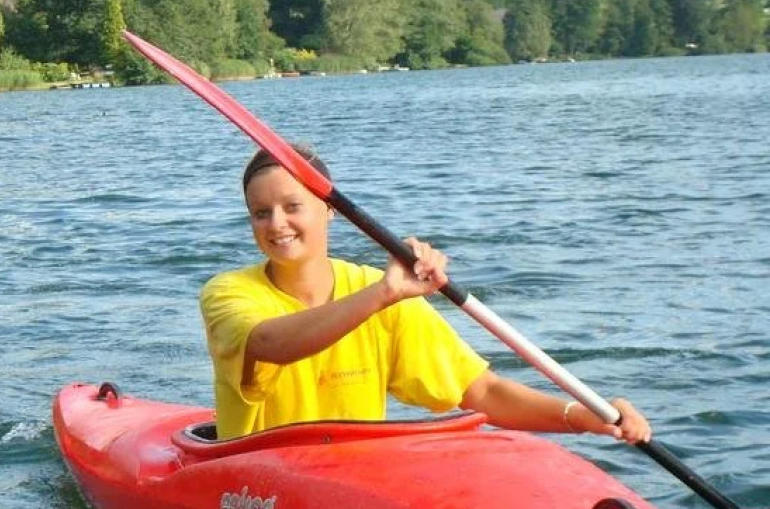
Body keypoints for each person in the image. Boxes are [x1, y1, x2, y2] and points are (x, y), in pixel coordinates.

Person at [199, 146, 652, 443]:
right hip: (252, 482)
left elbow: (483, 391)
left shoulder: (381, 296)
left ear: (328, 210)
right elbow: (272, 344)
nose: (276, 224)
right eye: (260, 213)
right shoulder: (228, 293)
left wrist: (583, 416)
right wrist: (385, 292)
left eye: (292, 206)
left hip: (348, 477)